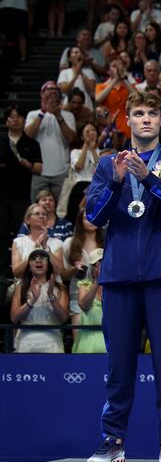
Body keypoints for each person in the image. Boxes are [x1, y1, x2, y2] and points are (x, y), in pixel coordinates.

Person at [84, 91, 161, 462]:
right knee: (119, 367)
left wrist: (148, 179)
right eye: (138, 113)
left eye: (152, 113)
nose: (146, 119)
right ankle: (112, 442)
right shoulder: (106, 165)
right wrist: (117, 181)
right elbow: (94, 217)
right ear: (127, 121)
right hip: (118, 276)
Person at [0, 106, 42, 280]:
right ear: (6, 121)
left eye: (18, 117)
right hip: (1, 197)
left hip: (22, 196)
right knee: (1, 235)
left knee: (22, 234)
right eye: (11, 117)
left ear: (24, 120)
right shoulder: (1, 141)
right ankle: (3, 272)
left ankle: (23, 271)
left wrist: (29, 165)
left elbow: (40, 168)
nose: (15, 120)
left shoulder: (31, 144)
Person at [10, 249, 69, 353]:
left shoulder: (60, 289)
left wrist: (51, 296)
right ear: (29, 266)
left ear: (48, 265)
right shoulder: (20, 288)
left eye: (43, 258)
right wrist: (33, 300)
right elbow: (14, 318)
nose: (38, 260)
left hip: (52, 343)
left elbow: (64, 318)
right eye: (34, 258)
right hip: (25, 342)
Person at [74, 248, 107, 354]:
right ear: (91, 269)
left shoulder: (116, 289)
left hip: (111, 339)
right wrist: (98, 281)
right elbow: (83, 305)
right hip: (88, 342)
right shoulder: (84, 286)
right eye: (98, 264)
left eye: (105, 263)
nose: (103, 267)